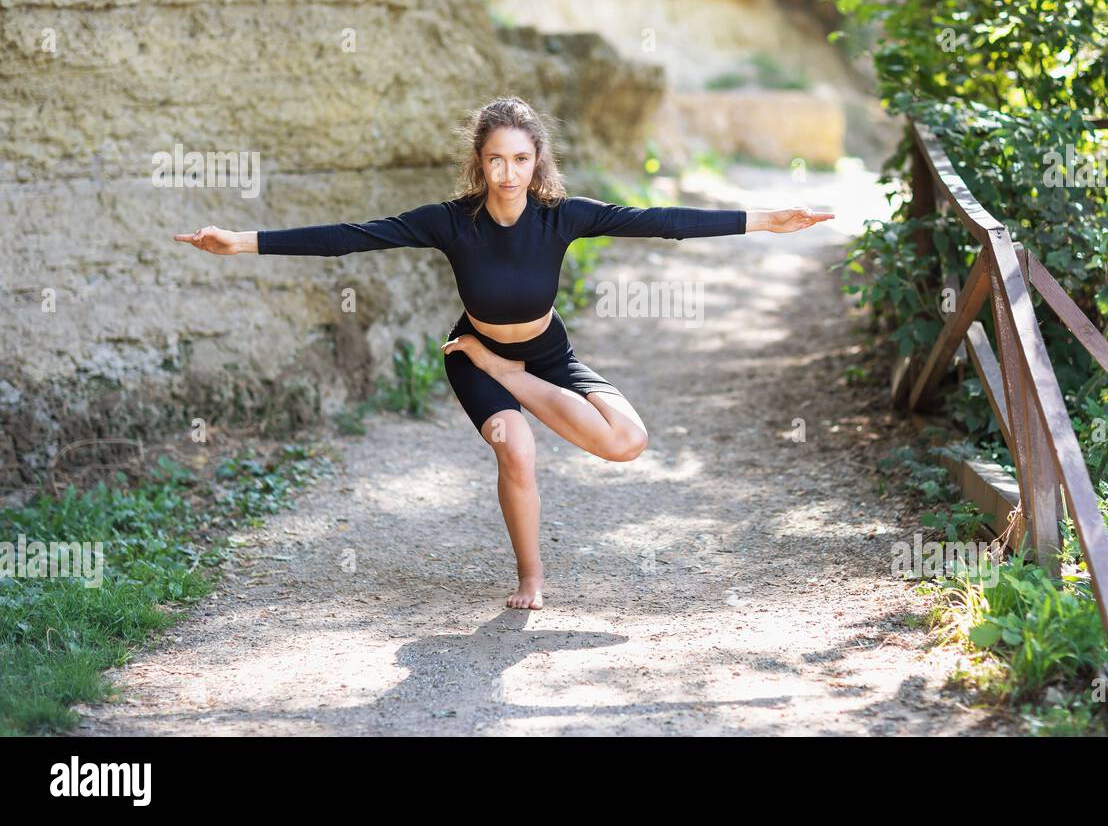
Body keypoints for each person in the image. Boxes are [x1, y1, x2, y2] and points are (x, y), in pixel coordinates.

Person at [174, 95, 834, 610]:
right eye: (496, 160)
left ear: (536, 161)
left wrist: (765, 221)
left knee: (628, 442)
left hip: (547, 356)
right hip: (475, 354)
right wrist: (242, 240)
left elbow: (662, 220)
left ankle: (511, 376)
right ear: (480, 162)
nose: (508, 173)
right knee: (516, 448)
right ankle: (531, 576)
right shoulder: (449, 220)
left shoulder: (564, 216)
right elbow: (350, 237)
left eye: (521, 160)